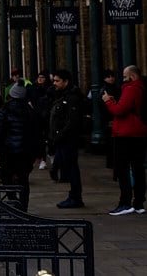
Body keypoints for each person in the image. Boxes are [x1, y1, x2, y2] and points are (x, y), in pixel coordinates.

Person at [102, 64, 147, 215]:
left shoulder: (131, 88)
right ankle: (139, 202)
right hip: (139, 132)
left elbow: (119, 110)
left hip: (126, 133)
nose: (123, 79)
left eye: (125, 76)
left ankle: (125, 203)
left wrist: (108, 101)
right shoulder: (142, 88)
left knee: (122, 168)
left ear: (133, 76)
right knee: (138, 167)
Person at [0, 82, 41, 211]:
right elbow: (36, 133)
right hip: (25, 152)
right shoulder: (30, 111)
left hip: (8, 151)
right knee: (24, 180)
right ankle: (23, 207)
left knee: (7, 178)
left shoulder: (5, 110)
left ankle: (13, 203)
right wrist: (37, 152)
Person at [49, 70, 87, 209]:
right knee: (67, 166)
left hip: (68, 139)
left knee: (71, 168)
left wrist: (60, 134)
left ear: (66, 82)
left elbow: (72, 121)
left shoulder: (72, 98)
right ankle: (73, 195)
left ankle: (75, 197)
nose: (54, 84)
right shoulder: (62, 95)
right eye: (54, 81)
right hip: (62, 139)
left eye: (57, 81)